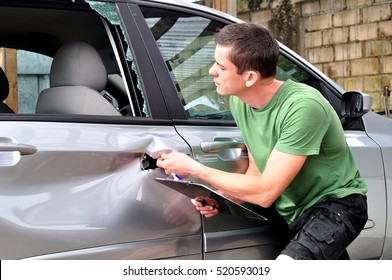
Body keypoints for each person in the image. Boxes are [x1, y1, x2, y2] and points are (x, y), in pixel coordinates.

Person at [156, 23, 368, 260]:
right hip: (294, 212)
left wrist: (194, 168)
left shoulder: (303, 106)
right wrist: (220, 198)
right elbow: (256, 176)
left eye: (221, 66)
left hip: (336, 206)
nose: (211, 71)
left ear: (250, 77)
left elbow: (266, 191)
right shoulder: (240, 102)